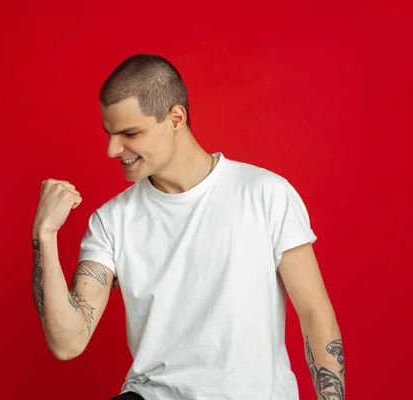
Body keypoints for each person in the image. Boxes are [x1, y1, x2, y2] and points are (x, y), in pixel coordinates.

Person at [32, 54, 345, 400]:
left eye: (129, 133)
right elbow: (68, 342)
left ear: (176, 118)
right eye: (109, 134)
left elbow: (315, 315)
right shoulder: (111, 221)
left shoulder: (266, 194)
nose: (112, 149)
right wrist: (45, 235)